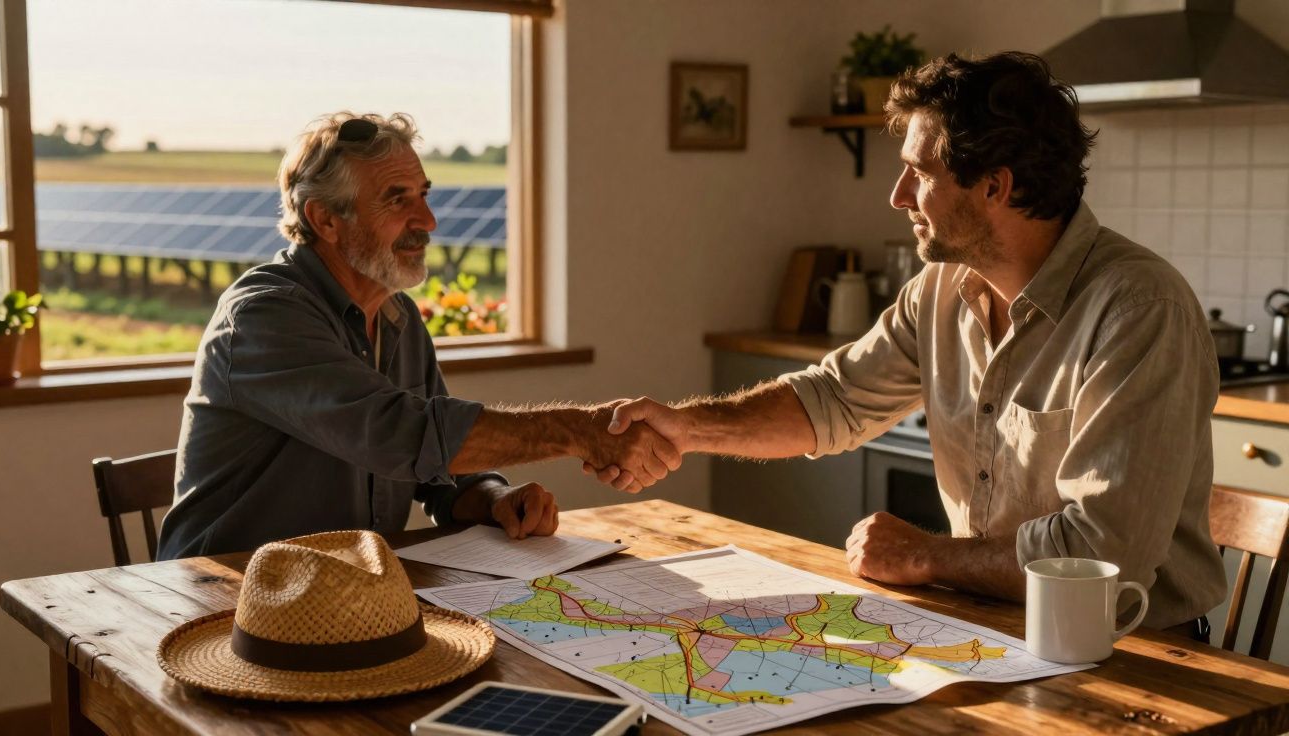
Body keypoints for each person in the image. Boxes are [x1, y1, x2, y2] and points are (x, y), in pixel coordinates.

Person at [590, 52, 1225, 638]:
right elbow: (835, 398)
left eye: (919, 173)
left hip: (1131, 652)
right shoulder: (943, 287)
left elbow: (1101, 556)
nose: (898, 197)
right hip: (985, 623)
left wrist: (923, 555)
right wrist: (685, 428)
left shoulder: (1141, 309)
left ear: (995, 187)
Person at [157, 112, 678, 560]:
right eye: (396, 199)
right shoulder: (265, 316)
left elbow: (436, 473)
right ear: (325, 219)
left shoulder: (396, 316)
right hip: (222, 602)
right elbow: (401, 435)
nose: (427, 220)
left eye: (423, 195)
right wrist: (579, 430)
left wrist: (495, 496)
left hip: (350, 601)